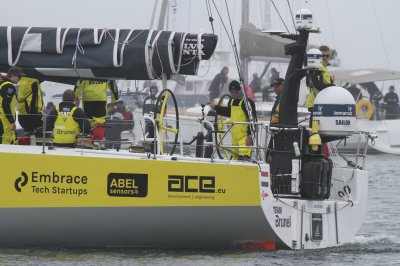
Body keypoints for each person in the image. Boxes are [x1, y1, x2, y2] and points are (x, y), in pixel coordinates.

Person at [208, 80, 257, 160]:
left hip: (244, 138)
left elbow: (253, 119)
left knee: (244, 160)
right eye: (231, 92)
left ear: (239, 90)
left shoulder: (247, 102)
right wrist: (215, 107)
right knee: (236, 160)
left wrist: (250, 136)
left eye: (234, 92)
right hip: (234, 138)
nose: (233, 94)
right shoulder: (232, 101)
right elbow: (228, 112)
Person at [305, 48, 333, 112]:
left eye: (327, 56)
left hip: (317, 102)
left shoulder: (313, 68)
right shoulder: (319, 68)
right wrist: (334, 85)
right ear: (318, 56)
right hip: (317, 102)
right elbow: (319, 86)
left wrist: (331, 81)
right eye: (323, 55)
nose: (325, 57)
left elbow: (314, 84)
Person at [0, 67, 23, 144]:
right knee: (6, 140)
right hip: (5, 120)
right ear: (13, 75)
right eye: (19, 76)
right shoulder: (9, 86)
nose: (20, 79)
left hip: (2, 119)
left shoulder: (2, 84)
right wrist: (12, 121)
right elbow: (5, 105)